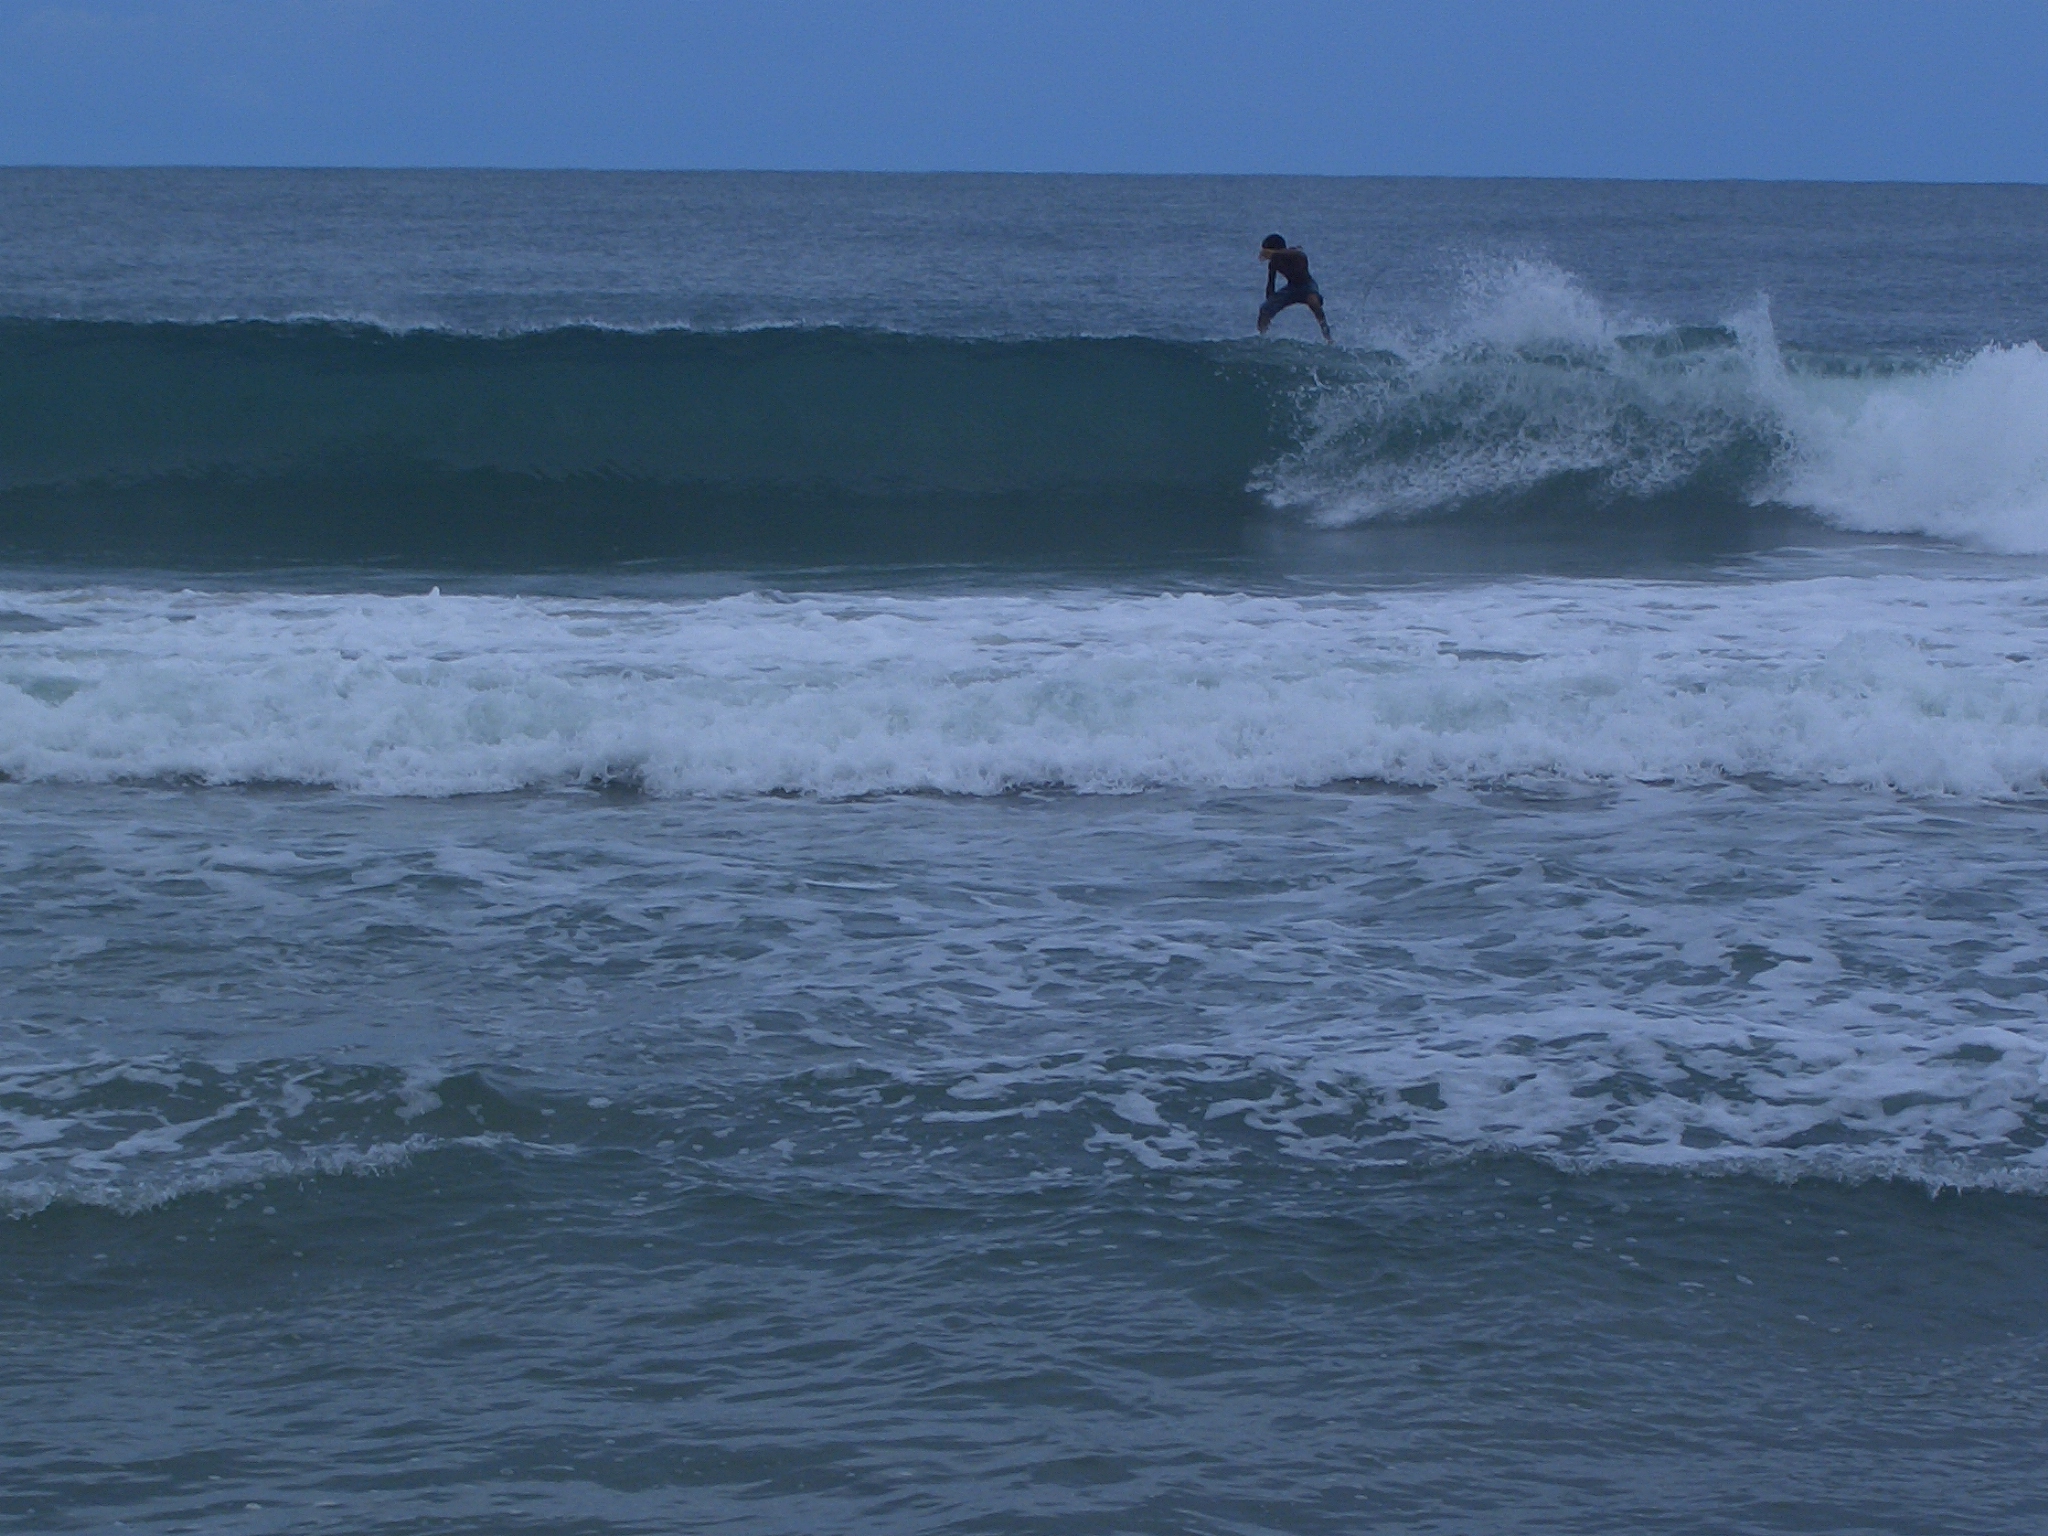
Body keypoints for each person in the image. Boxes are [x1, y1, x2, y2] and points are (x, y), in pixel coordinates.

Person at [1256, 233, 1332, 341]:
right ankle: (1262, 335)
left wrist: (1274, 252)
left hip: (1307, 285)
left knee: (1313, 301)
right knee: (1264, 309)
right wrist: (1270, 303)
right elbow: (1270, 284)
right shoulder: (1273, 263)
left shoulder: (1296, 256)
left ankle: (1327, 336)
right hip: (1291, 287)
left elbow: (1296, 252)